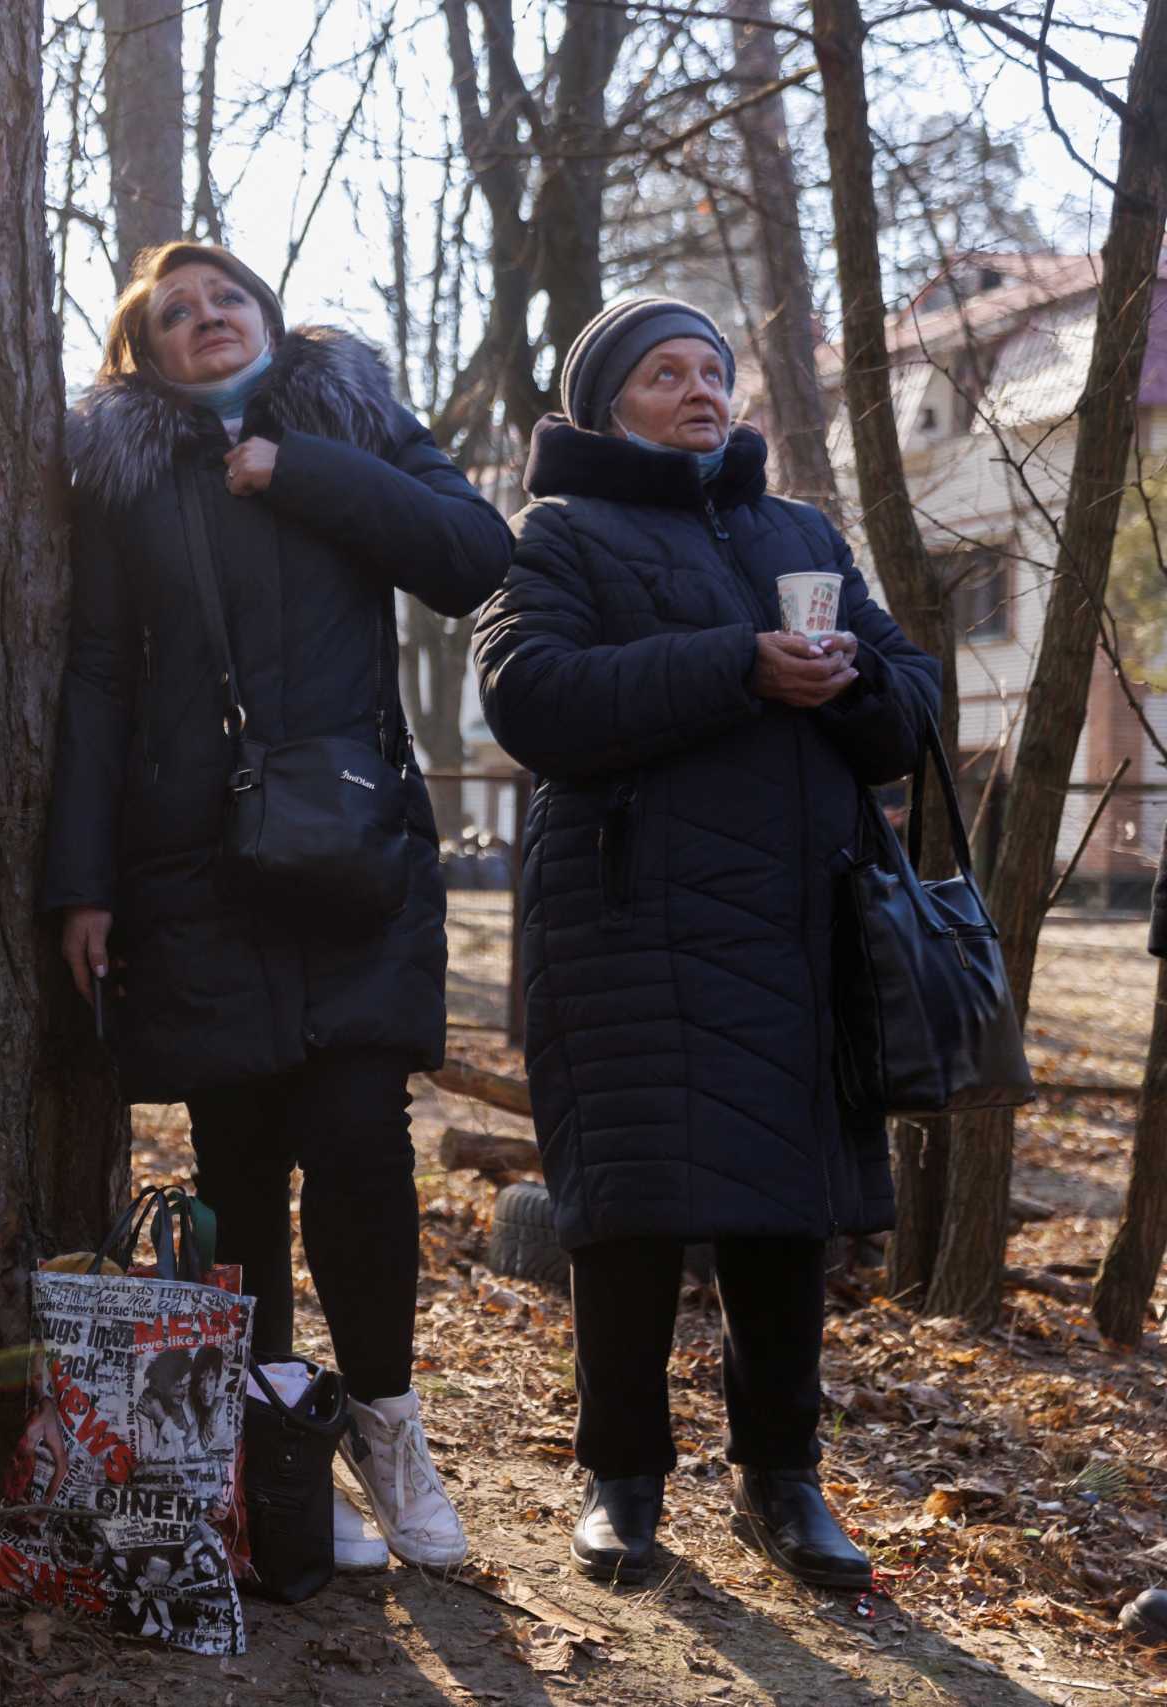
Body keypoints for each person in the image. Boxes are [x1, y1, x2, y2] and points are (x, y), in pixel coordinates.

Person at [44, 242, 513, 1572]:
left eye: (224, 299)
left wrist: (298, 472)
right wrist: (81, 882)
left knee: (362, 1147)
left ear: (265, 316)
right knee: (238, 1166)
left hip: (357, 854)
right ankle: (274, 1454)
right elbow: (92, 676)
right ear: (145, 352)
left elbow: (472, 553)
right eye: (173, 313)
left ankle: (386, 1422)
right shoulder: (127, 477)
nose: (204, 319)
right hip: (193, 872)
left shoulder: (348, 416)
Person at [472, 297, 940, 1590]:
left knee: (785, 1215)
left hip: (798, 926)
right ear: (604, 402)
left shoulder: (799, 529)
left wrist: (847, 677)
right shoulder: (558, 533)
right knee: (624, 1208)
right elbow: (531, 695)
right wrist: (738, 663)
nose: (697, 389)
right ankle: (622, 1481)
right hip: (627, 924)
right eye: (664, 371)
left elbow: (911, 704)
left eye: (712, 370)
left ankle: (781, 1480)